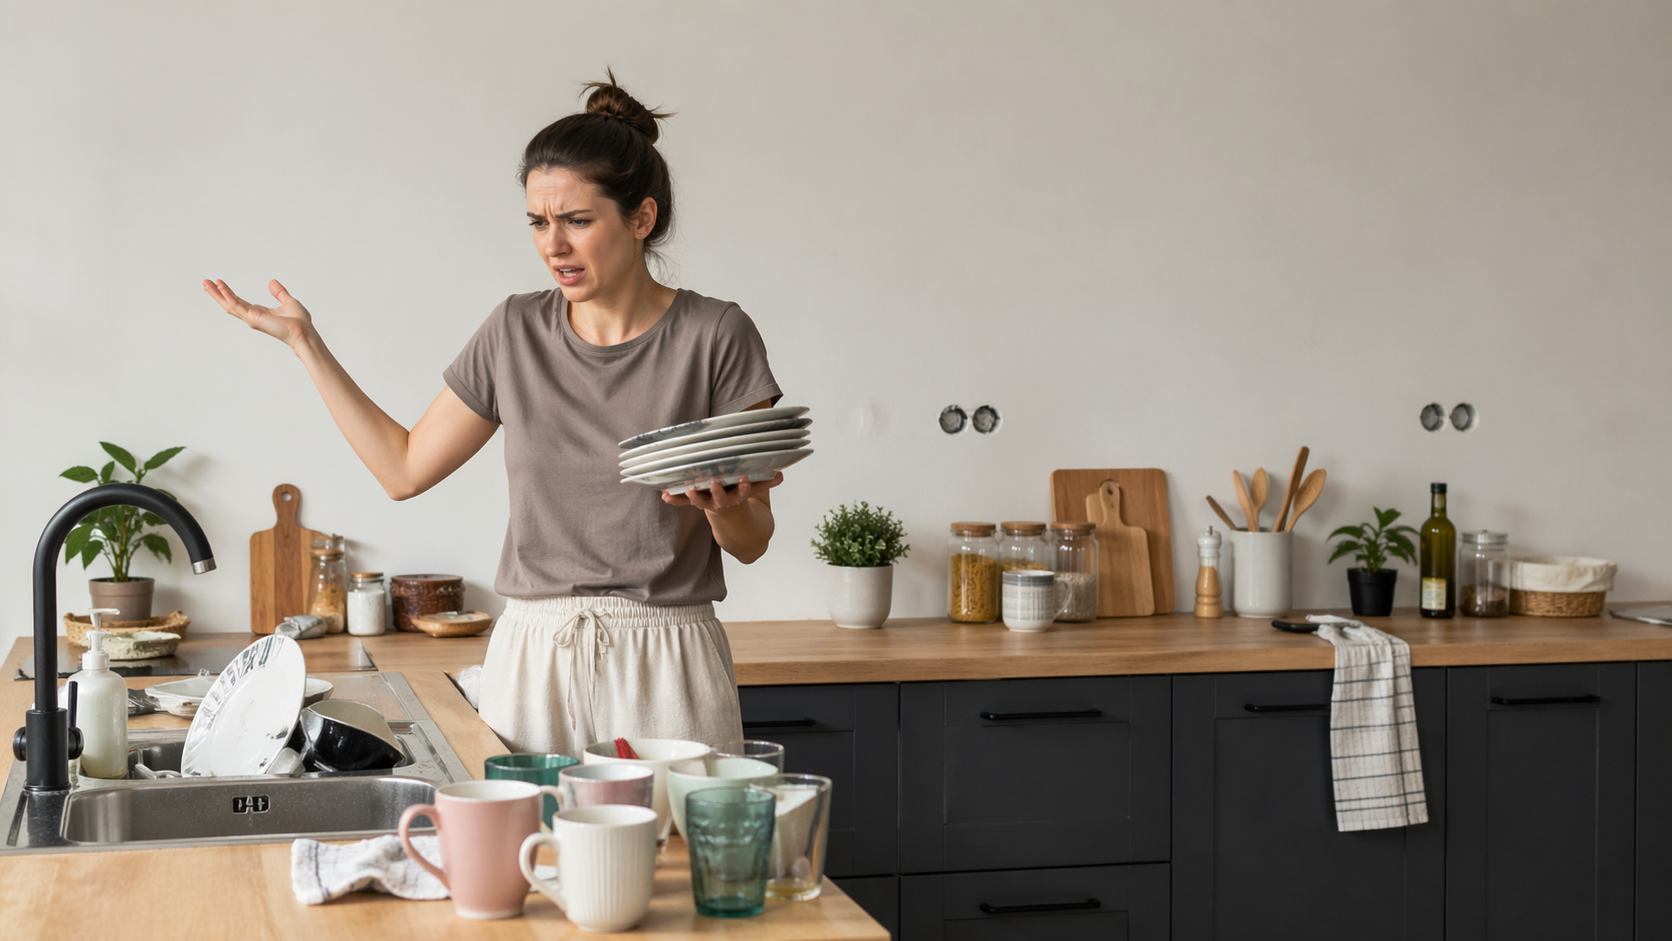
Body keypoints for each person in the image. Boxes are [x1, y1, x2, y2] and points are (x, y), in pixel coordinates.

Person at [202, 72, 782, 758]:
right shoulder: (514, 332)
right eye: (538, 221)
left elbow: (750, 539)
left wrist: (720, 504)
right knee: (524, 863)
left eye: (577, 220)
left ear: (641, 218)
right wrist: (306, 343)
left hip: (668, 656)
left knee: (682, 863)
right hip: (536, 656)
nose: (553, 245)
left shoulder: (716, 335)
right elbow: (402, 468)